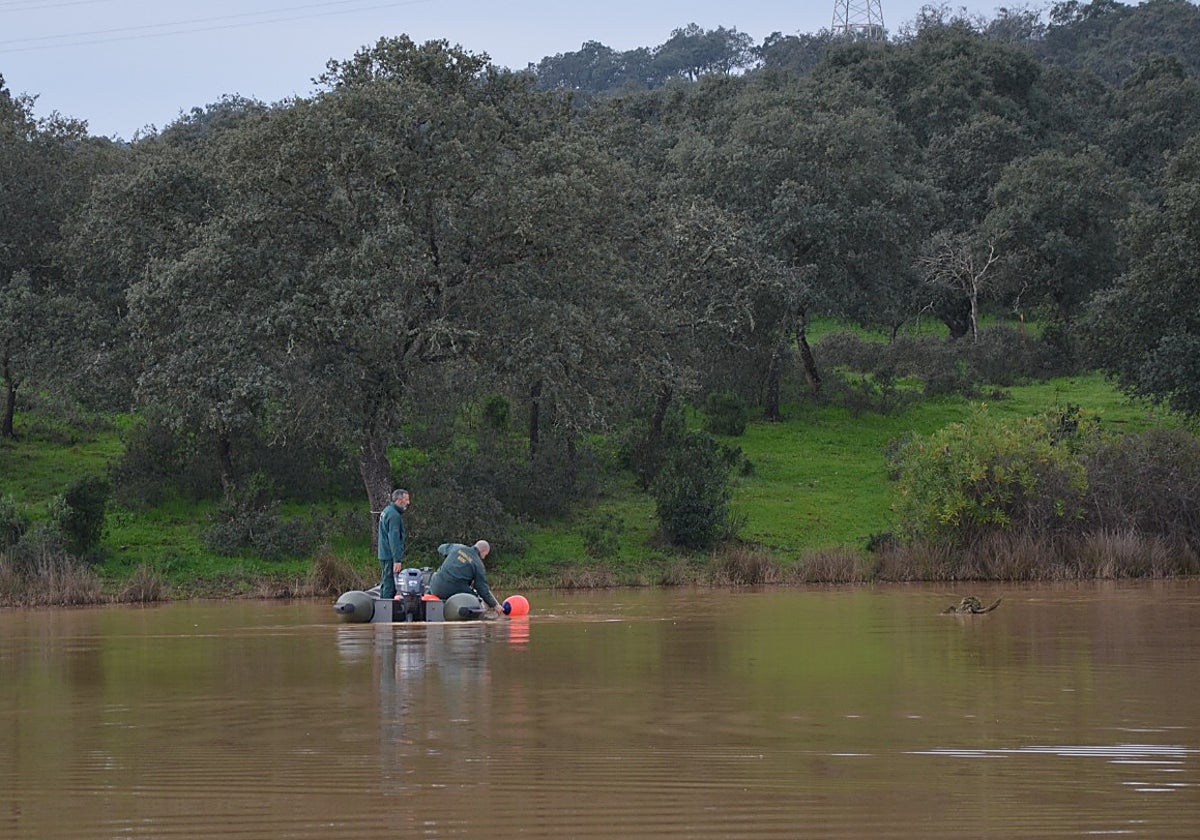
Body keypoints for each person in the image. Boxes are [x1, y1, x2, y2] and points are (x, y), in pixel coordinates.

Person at [429, 540, 504, 617]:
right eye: (485, 555)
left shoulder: (457, 547)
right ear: (483, 551)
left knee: (436, 575)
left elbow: (440, 548)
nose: (484, 557)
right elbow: (482, 589)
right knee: (477, 597)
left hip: (434, 587)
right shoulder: (478, 565)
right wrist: (495, 605)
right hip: (451, 591)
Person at [376, 489, 410, 600]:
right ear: (399, 500)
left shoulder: (387, 510)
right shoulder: (394, 516)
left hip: (384, 553)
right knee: (389, 584)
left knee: (386, 581)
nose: (408, 503)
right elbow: (394, 539)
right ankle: (386, 608)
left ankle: (384, 603)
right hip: (389, 555)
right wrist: (397, 560)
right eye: (406, 499)